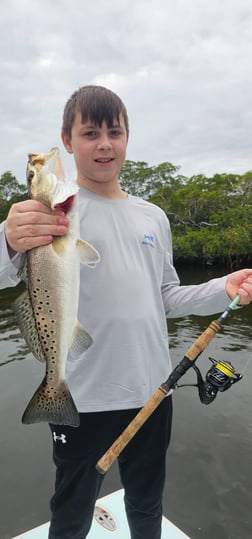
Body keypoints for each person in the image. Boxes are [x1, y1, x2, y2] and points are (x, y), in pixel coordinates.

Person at [0, 85, 252, 539]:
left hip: (154, 392)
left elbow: (167, 298)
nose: (104, 143)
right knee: (72, 508)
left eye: (114, 132)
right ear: (67, 140)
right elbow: (8, 271)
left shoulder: (153, 216)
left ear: (127, 139)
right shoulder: (50, 213)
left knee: (147, 500)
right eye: (90, 132)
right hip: (80, 397)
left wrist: (222, 287)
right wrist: (8, 238)